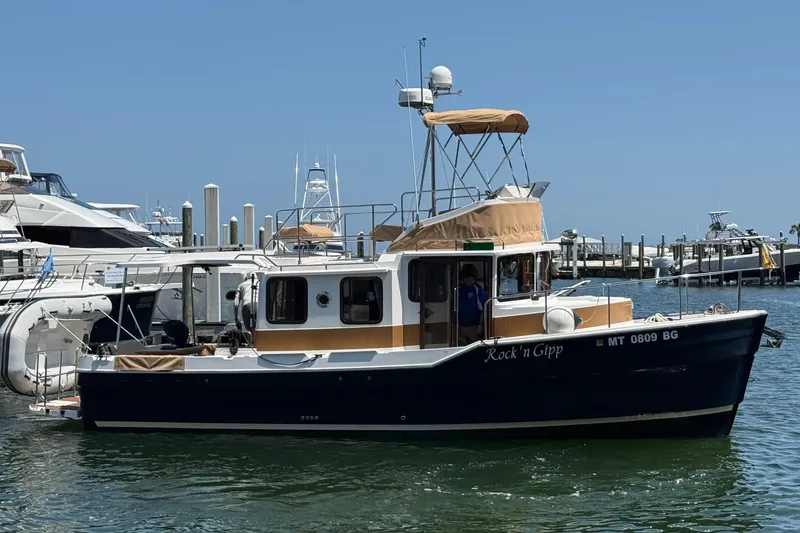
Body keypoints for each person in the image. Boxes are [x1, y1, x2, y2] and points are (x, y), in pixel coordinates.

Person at [457, 264, 487, 345]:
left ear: (471, 277)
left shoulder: (478, 290)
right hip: (460, 327)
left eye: (465, 277)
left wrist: (480, 325)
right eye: (463, 277)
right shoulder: (459, 290)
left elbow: (484, 308)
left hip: (473, 328)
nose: (463, 279)